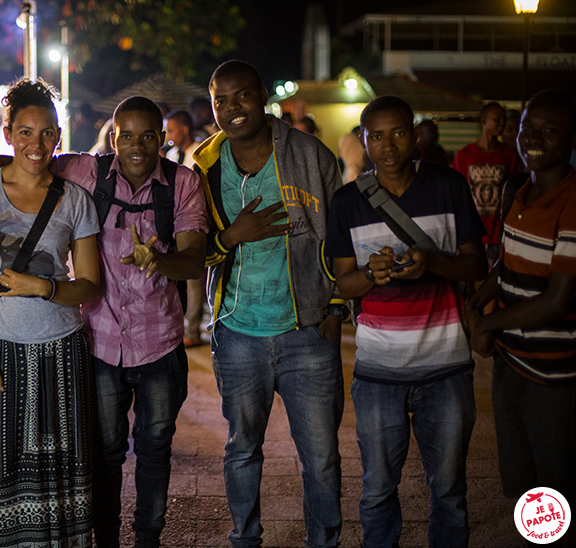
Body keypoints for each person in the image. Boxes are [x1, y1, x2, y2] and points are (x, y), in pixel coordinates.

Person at [0, 95, 208, 548]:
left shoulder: (180, 183)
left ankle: (147, 538)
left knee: (154, 450)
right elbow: (28, 156)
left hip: (154, 342)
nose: (136, 146)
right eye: (125, 135)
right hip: (100, 343)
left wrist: (160, 260)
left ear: (162, 139)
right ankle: (105, 540)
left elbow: (193, 260)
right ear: (112, 138)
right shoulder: (85, 171)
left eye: (147, 136)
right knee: (103, 454)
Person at [193, 59, 346, 548]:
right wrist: (232, 236)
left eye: (241, 96)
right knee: (242, 450)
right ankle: (245, 538)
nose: (232, 108)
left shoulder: (311, 156)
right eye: (221, 100)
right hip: (238, 333)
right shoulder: (205, 166)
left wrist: (336, 312)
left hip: (307, 332)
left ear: (262, 95)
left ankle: (324, 541)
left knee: (321, 457)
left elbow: (341, 239)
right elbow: (196, 248)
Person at [325, 96, 487, 548]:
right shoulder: (346, 202)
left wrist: (433, 262)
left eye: (398, 132)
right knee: (377, 489)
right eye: (376, 135)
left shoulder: (448, 185)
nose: (388, 145)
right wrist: (370, 276)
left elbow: (476, 266)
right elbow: (343, 283)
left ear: (415, 135)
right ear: (363, 141)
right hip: (378, 372)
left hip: (448, 368)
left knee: (450, 490)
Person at [0, 79, 100, 547]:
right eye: (24, 132)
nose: (35, 144)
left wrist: (43, 286)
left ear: (58, 137)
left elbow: (89, 285)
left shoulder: (75, 200)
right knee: (1, 473)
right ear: (7, 133)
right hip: (0, 352)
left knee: (61, 477)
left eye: (46, 133)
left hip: (62, 352)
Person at [466, 89, 576, 548]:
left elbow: (558, 299)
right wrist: (477, 303)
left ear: (569, 139)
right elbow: (505, 264)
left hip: (553, 375)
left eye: (549, 131)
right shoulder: (520, 190)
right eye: (527, 127)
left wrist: (488, 324)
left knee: (556, 485)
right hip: (512, 364)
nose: (532, 138)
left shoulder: (571, 202)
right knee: (521, 481)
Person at [452, 101, 521, 264]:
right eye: (497, 119)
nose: (502, 123)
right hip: (471, 234)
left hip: (499, 233)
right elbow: (456, 195)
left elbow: (517, 192)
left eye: (503, 119)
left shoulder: (510, 155)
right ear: (484, 121)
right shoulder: (464, 155)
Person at [164, 109, 206, 347]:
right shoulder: (171, 154)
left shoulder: (199, 154)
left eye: (171, 130)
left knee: (192, 278)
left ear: (184, 129)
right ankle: (178, 326)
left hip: (192, 220)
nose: (168, 135)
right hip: (172, 221)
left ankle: (192, 329)